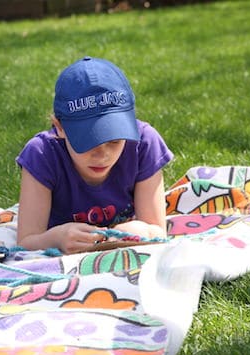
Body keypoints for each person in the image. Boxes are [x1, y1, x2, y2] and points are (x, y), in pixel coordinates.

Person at [16, 56, 174, 254]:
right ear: (60, 128)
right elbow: (26, 242)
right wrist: (56, 238)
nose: (102, 155)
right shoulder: (41, 154)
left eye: (115, 141)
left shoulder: (143, 144)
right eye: (88, 141)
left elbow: (158, 232)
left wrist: (141, 231)